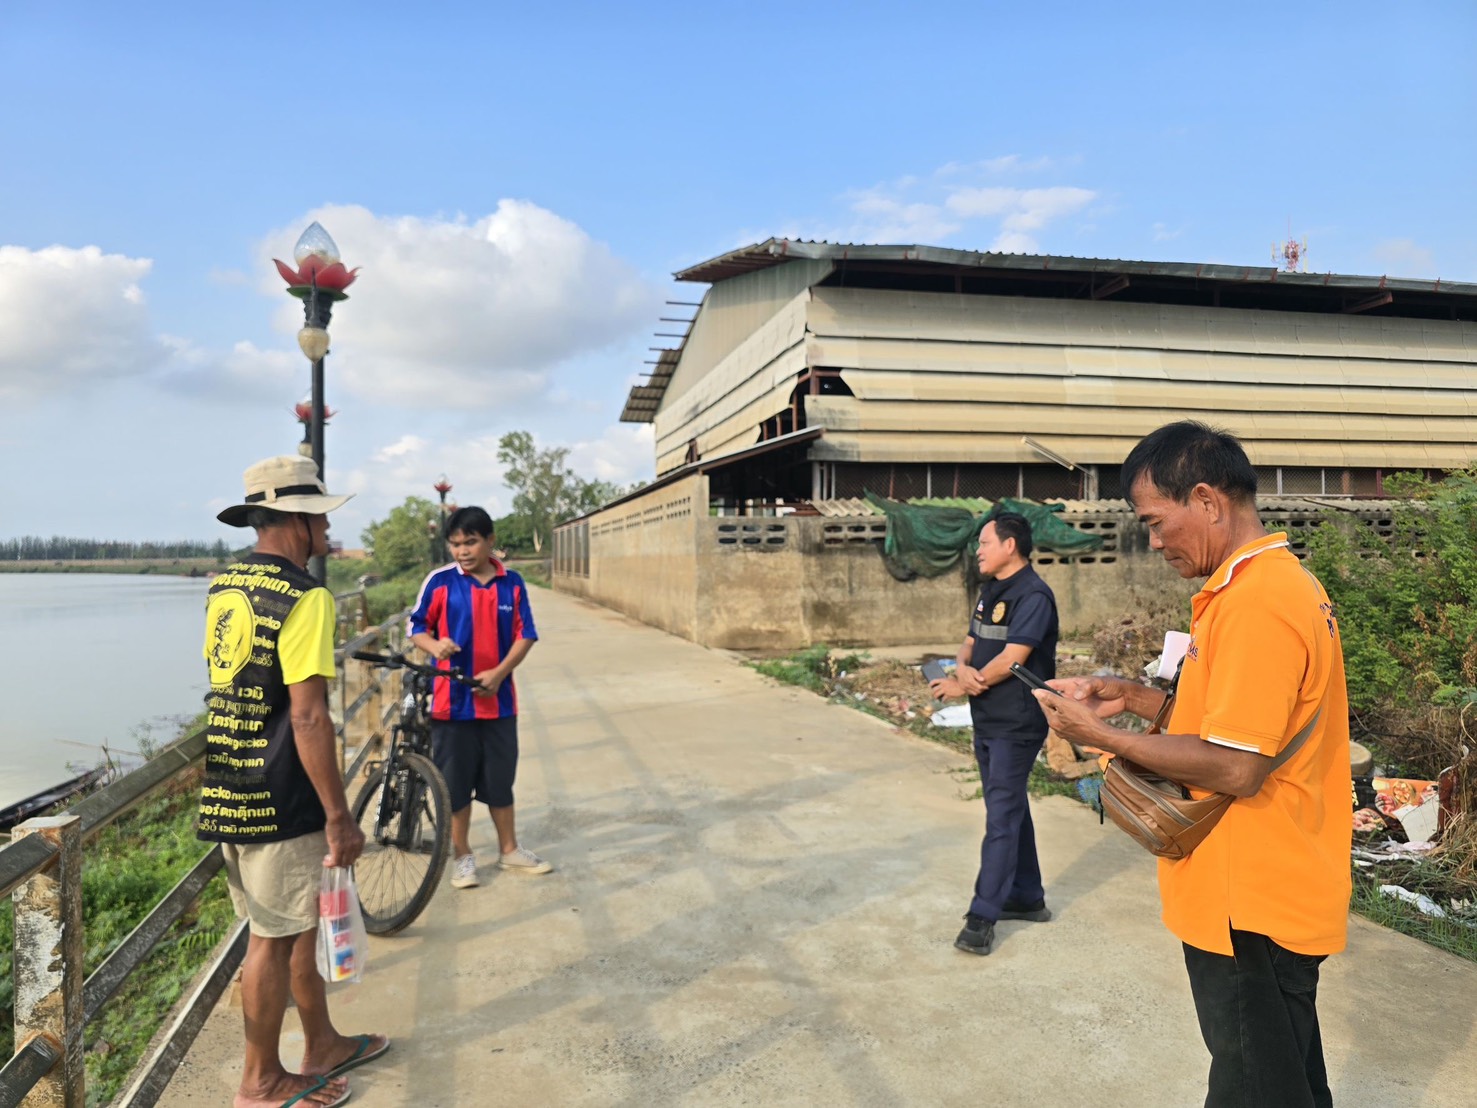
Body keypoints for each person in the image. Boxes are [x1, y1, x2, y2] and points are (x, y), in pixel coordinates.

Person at [1037, 421, 1350, 1108]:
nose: (1153, 542)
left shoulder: (1257, 603)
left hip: (1250, 898)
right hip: (1268, 884)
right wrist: (1132, 697)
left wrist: (1101, 736)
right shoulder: (1272, 584)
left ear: (1207, 500)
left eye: (1155, 521)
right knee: (1286, 1078)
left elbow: (1235, 767)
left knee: (1253, 1087)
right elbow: (1242, 723)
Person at [201, 455, 389, 1108]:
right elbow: (308, 717)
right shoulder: (305, 597)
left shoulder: (226, 585)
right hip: (282, 793)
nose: (327, 530)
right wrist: (339, 815)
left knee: (291, 924)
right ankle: (260, 1081)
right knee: (272, 941)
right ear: (296, 520)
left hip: (230, 781)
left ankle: (322, 1043)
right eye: (320, 517)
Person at [929, 511, 1059, 956]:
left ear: (1010, 545)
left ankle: (982, 916)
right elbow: (970, 642)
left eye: (984, 543)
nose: (978, 551)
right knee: (1008, 806)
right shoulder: (991, 590)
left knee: (1001, 816)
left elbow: (1012, 658)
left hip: (1017, 722)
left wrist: (964, 683)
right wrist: (962, 668)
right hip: (988, 718)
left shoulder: (1034, 595)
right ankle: (1027, 896)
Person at [408, 506, 549, 888]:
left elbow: (526, 634)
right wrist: (435, 646)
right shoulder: (440, 582)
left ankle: (509, 849)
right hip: (451, 705)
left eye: (470, 542)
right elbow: (416, 627)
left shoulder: (512, 583)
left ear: (490, 540)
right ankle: (462, 857)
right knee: (455, 786)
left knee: (500, 782)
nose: (462, 551)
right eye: (455, 544)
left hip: (499, 703)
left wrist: (499, 674)